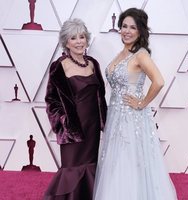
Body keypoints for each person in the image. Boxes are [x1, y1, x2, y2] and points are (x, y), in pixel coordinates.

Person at [93, 8, 177, 200]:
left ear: (140, 31)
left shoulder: (140, 55)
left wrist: (141, 103)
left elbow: (159, 81)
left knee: (129, 161)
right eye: (124, 26)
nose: (127, 31)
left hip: (132, 119)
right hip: (115, 116)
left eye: (133, 27)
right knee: (116, 162)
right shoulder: (121, 53)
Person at [43, 18, 107, 200]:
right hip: (73, 130)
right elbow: (51, 101)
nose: (79, 41)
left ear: (87, 39)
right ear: (66, 42)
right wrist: (65, 123)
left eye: (82, 37)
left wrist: (105, 122)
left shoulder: (93, 63)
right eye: (73, 38)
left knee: (90, 166)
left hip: (92, 127)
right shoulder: (59, 66)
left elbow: (100, 97)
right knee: (71, 168)